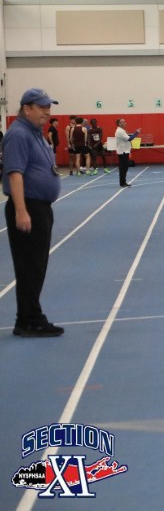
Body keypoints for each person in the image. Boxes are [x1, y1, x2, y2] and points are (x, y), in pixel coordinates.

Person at [3, 89, 64, 337]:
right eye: (42, 107)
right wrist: (21, 211)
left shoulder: (34, 133)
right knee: (30, 266)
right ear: (27, 108)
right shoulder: (18, 134)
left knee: (36, 266)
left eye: (49, 107)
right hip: (28, 206)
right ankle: (29, 320)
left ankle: (29, 317)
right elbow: (15, 173)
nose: (47, 112)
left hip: (39, 207)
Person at [114, 118, 141, 187]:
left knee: (124, 168)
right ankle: (122, 183)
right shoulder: (120, 131)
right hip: (123, 152)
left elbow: (127, 138)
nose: (125, 123)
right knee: (123, 168)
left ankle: (123, 182)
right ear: (119, 124)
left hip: (124, 151)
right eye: (123, 122)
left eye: (124, 122)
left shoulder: (122, 131)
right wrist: (136, 133)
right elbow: (129, 139)